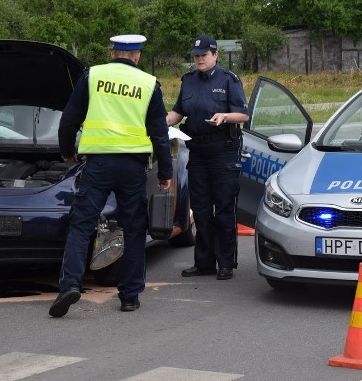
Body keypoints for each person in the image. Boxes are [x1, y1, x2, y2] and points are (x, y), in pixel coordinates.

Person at [50, 34, 172, 317]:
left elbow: (69, 119)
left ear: (113, 52)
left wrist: (67, 151)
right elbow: (160, 134)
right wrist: (165, 171)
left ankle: (70, 284)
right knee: (134, 229)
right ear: (137, 55)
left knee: (81, 224)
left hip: (98, 165)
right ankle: (129, 296)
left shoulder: (92, 76)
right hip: (132, 168)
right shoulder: (149, 84)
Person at [166, 35, 249, 280]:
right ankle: (203, 262)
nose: (199, 59)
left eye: (204, 55)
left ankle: (225, 263)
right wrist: (163, 122)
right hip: (198, 151)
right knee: (200, 209)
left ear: (215, 55)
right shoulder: (189, 81)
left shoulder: (228, 79)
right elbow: (178, 111)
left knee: (223, 208)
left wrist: (224, 116)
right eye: (196, 55)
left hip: (223, 149)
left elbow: (243, 114)